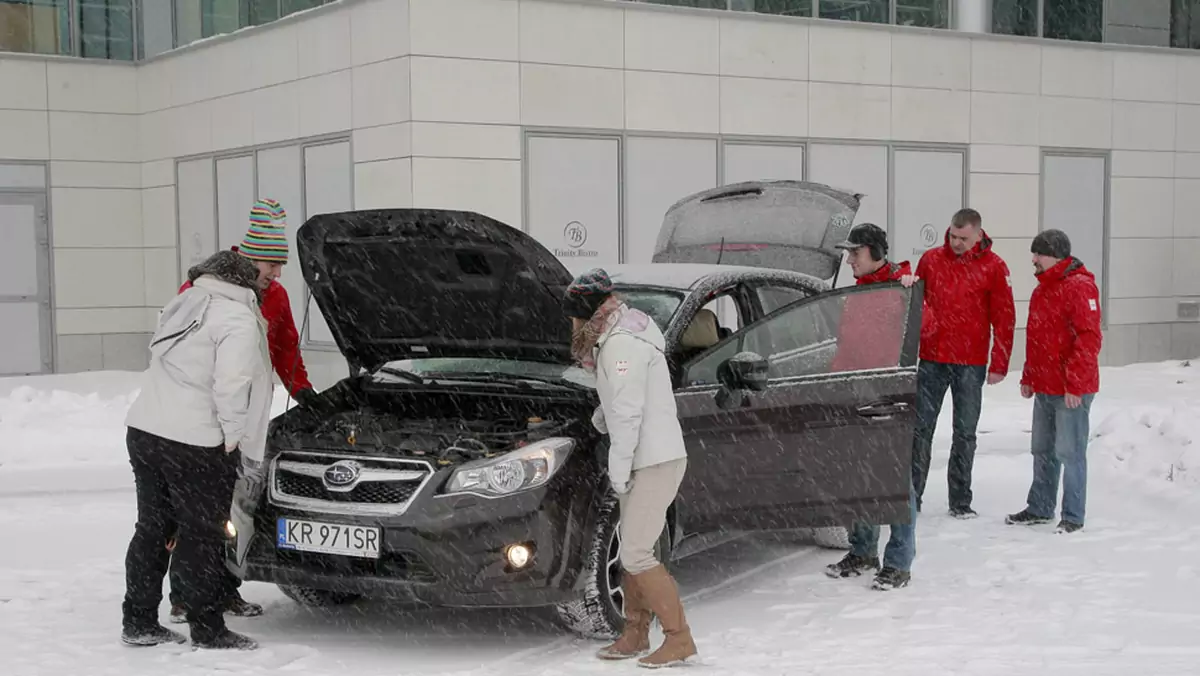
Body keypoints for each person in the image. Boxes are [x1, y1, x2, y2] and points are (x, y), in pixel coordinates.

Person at [167, 197, 312, 623]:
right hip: (203, 417)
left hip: (249, 418)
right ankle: (184, 594)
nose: (276, 273)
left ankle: (227, 588)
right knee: (195, 511)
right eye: (270, 263)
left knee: (238, 510)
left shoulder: (277, 296)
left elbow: (285, 347)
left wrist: (302, 390)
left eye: (279, 265)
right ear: (248, 256)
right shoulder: (202, 291)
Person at [121, 250, 272, 650]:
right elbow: (231, 385)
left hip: (145, 431)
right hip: (195, 441)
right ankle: (207, 627)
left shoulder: (181, 304)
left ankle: (137, 620)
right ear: (242, 284)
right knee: (202, 534)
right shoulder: (237, 319)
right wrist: (233, 440)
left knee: (152, 529)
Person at [563, 268, 695, 669]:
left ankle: (679, 638)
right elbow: (631, 397)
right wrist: (605, 413)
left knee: (637, 554)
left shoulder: (620, 345)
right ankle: (635, 633)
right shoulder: (626, 330)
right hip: (653, 454)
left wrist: (617, 470)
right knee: (637, 550)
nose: (569, 324)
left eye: (572, 316)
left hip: (650, 459)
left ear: (586, 313)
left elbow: (629, 416)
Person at [823, 224, 920, 590]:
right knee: (859, 478)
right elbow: (848, 346)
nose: (848, 259)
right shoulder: (857, 293)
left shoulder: (902, 288)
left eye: (855, 253)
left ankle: (898, 563)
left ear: (875, 252)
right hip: (856, 393)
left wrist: (915, 296)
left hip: (890, 397)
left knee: (895, 483)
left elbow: (931, 330)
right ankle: (863, 551)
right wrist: (833, 383)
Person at [912, 208, 1015, 518]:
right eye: (953, 236)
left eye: (963, 238)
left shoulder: (994, 267)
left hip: (970, 361)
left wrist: (1000, 361)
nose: (956, 242)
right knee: (920, 430)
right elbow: (917, 305)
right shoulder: (931, 260)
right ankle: (911, 495)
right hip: (932, 358)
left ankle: (960, 500)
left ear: (978, 235)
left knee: (965, 433)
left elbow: (1004, 316)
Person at [1006, 230, 1102, 534]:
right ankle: (1040, 508)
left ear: (1056, 256)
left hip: (1071, 391)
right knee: (1042, 449)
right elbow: (1037, 338)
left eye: (1039, 254)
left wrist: (1075, 384)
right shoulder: (1042, 289)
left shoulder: (1080, 288)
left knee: (1070, 452)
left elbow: (1089, 339)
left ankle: (1073, 516)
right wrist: (1029, 375)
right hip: (1045, 386)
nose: (1033, 260)